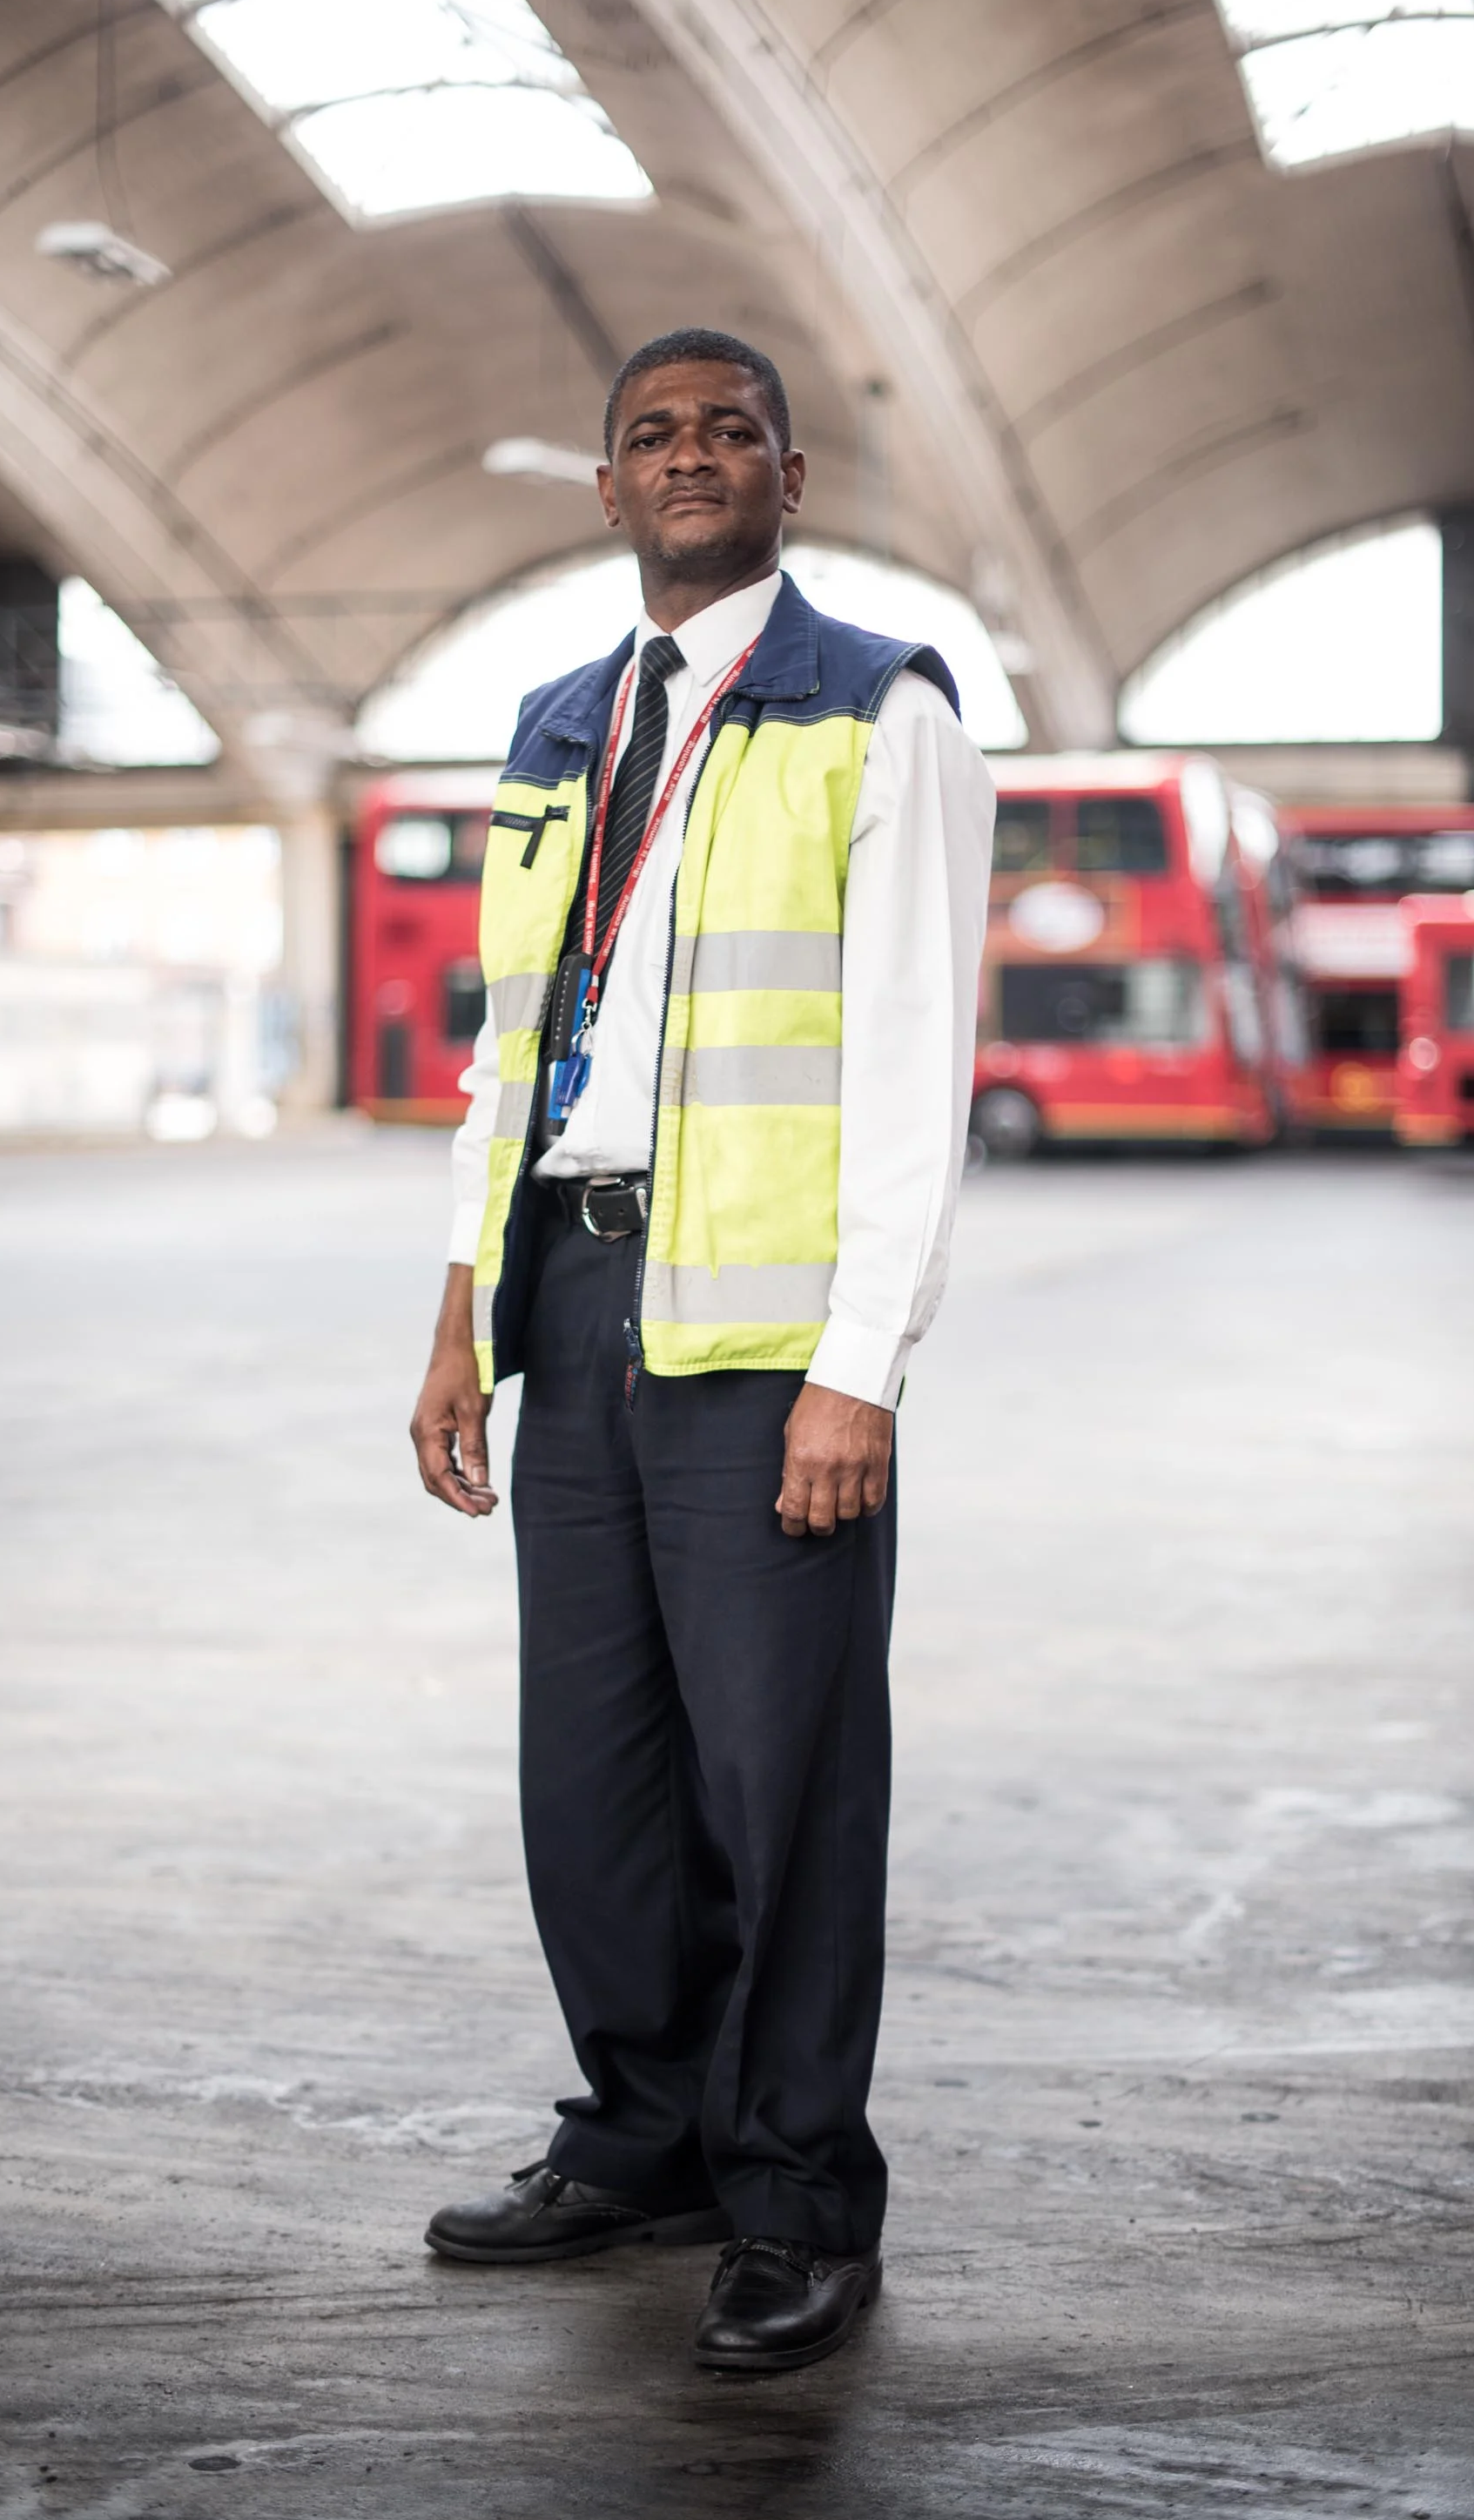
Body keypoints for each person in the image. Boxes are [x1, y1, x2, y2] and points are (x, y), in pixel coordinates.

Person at [409, 327, 994, 2374]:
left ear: (788, 475)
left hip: (758, 1333)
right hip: (569, 1301)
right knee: (597, 1776)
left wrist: (864, 1359)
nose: (688, 457)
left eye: (726, 430)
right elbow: (510, 1042)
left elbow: (916, 1062)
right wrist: (463, 1304)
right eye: (651, 434)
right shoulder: (561, 722)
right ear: (604, 487)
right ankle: (645, 2129)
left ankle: (796, 2187)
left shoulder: (874, 707)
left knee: (784, 1777)